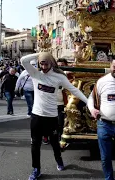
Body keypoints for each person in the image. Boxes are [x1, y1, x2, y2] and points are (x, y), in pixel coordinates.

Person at [20, 52, 88, 180]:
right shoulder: (35, 73)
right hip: (36, 116)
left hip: (51, 117)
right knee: (35, 143)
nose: (44, 67)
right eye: (41, 63)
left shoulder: (59, 77)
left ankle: (59, 160)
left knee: (54, 142)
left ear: (51, 63)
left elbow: (74, 90)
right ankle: (36, 169)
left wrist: (88, 102)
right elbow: (23, 60)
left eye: (46, 63)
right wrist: (40, 54)